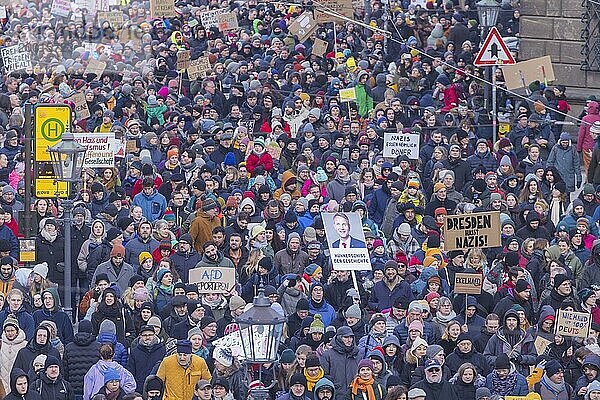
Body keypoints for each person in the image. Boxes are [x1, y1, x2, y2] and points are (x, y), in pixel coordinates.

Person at [320, 326, 360, 400]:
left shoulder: (358, 354)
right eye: (346, 337)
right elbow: (324, 376)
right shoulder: (328, 355)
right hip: (336, 395)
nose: (349, 340)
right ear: (339, 338)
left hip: (355, 394)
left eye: (351, 337)